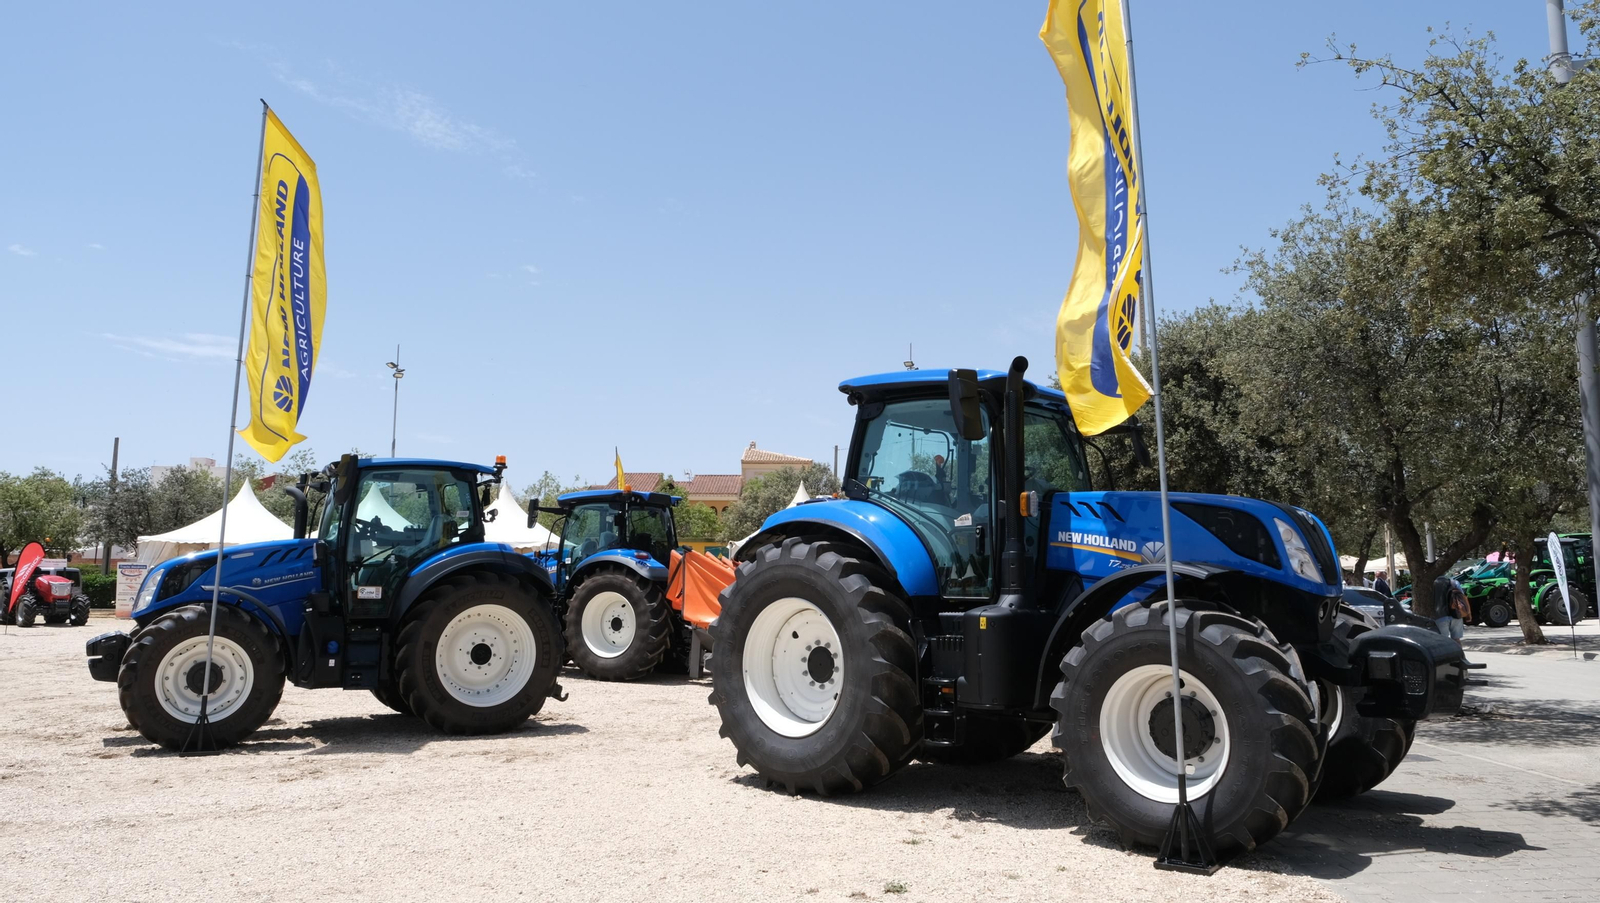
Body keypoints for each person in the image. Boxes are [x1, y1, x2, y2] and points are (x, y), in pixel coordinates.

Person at [1433, 574, 1468, 640]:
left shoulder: (1432, 584)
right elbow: (1462, 596)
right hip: (1456, 614)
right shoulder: (1454, 582)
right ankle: (1457, 647)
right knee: (1456, 639)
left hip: (1440, 615)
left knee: (1443, 640)